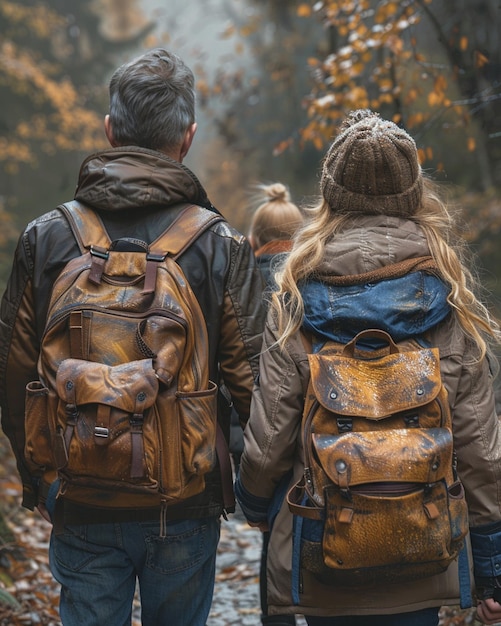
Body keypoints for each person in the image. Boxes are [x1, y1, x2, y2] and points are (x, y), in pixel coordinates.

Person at [0, 47, 265, 626]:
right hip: (184, 500)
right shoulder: (219, 245)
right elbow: (254, 384)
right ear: (187, 138)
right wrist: (257, 494)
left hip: (80, 489)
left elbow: (15, 371)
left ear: (110, 130)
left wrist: (41, 481)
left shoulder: (46, 238)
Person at [235, 109, 501, 625]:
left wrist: (254, 502)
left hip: (326, 541)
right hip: (423, 551)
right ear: (413, 195)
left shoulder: (295, 294)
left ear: (331, 194)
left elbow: (270, 435)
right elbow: (481, 451)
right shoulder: (449, 293)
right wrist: (491, 565)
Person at [247, 182, 303, 626]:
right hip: (311, 432)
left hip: (259, 435)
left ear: (252, 240)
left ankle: (277, 616)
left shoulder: (241, 281)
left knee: (273, 541)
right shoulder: (310, 282)